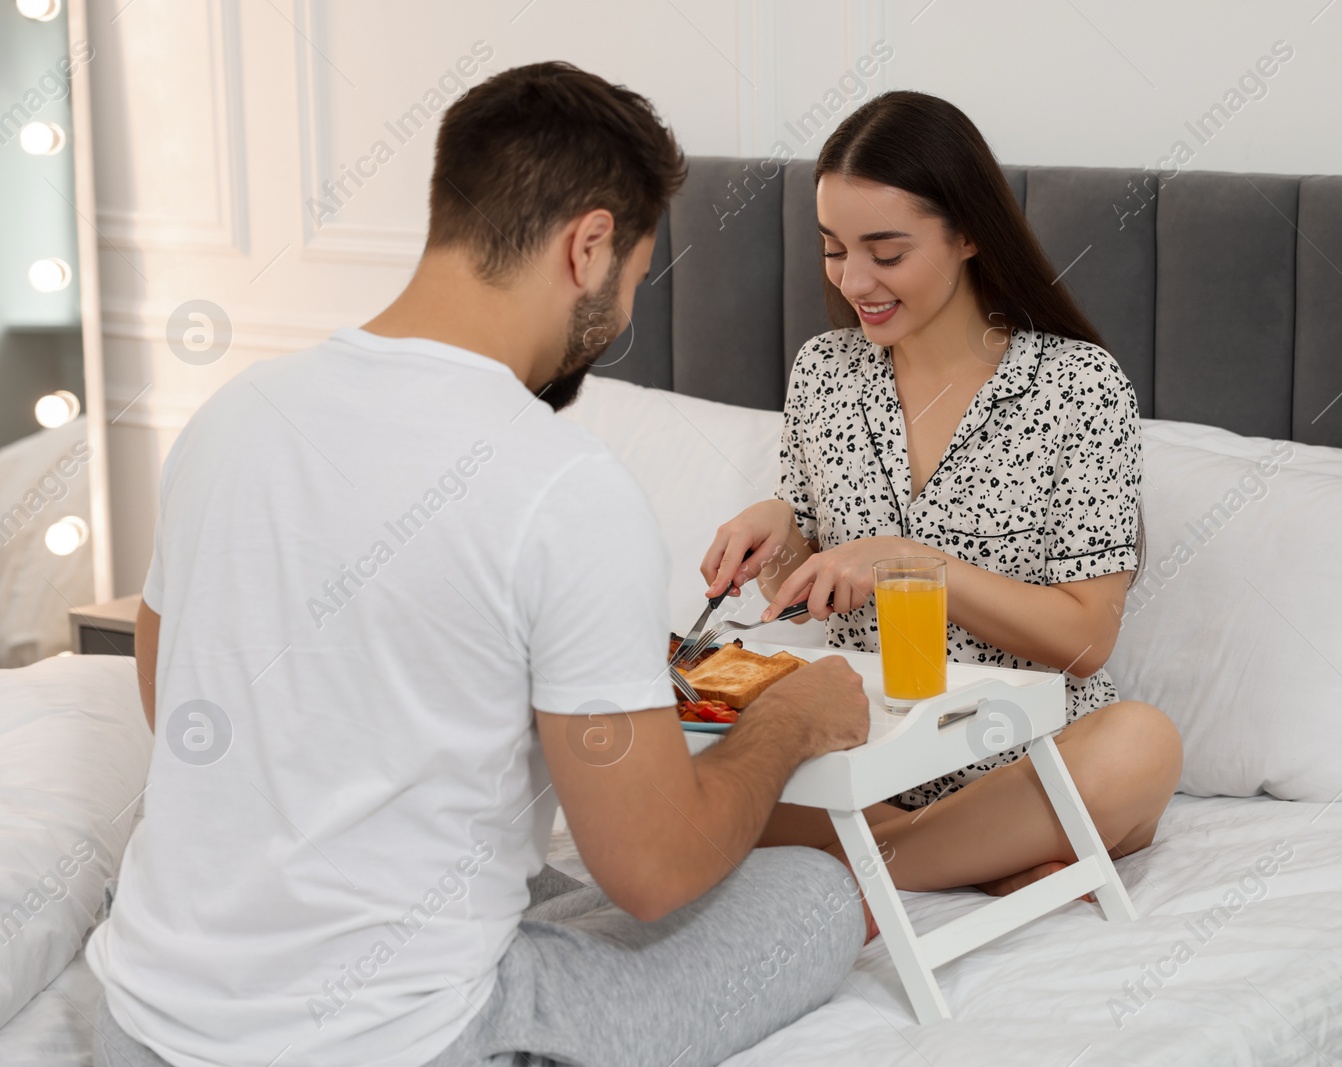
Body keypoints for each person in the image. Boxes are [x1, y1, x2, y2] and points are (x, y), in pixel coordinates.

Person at [87, 62, 875, 1067]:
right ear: (588, 244)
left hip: (145, 1014)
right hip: (402, 1041)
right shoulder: (563, 485)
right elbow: (653, 867)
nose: (625, 312)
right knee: (814, 893)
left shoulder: (231, 414)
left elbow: (175, 700)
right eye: (634, 278)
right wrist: (786, 720)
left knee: (528, 877)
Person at [702, 91, 1184, 898]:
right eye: (832, 249)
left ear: (966, 233)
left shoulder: (1077, 387)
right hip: (867, 760)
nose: (855, 280)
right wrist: (778, 529)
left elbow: (1087, 639)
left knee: (1142, 744)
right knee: (694, 769)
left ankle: (878, 873)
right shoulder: (824, 373)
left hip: (1031, 757)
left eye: (886, 252)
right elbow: (802, 587)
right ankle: (977, 856)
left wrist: (915, 563)